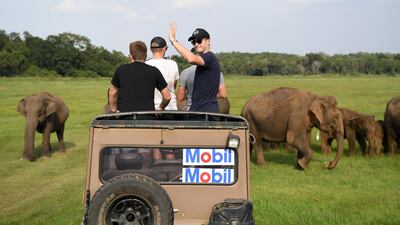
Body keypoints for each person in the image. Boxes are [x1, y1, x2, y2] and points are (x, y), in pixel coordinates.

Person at [168, 23, 220, 113]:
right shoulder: (203, 61)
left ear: (208, 41)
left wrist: (173, 41)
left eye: (199, 41)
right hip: (197, 110)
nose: (196, 44)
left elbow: (191, 58)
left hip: (207, 112)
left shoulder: (209, 57)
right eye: (193, 42)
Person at [108, 40, 171, 113]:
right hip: (147, 118)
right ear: (146, 56)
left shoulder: (121, 69)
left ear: (131, 56)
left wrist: (113, 110)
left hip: (125, 117)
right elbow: (167, 97)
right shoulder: (154, 71)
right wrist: (161, 108)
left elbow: (112, 93)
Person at [146, 36, 179, 110]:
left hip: (152, 108)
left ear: (151, 49)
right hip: (170, 107)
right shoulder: (173, 64)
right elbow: (174, 85)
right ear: (165, 48)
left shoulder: (145, 64)